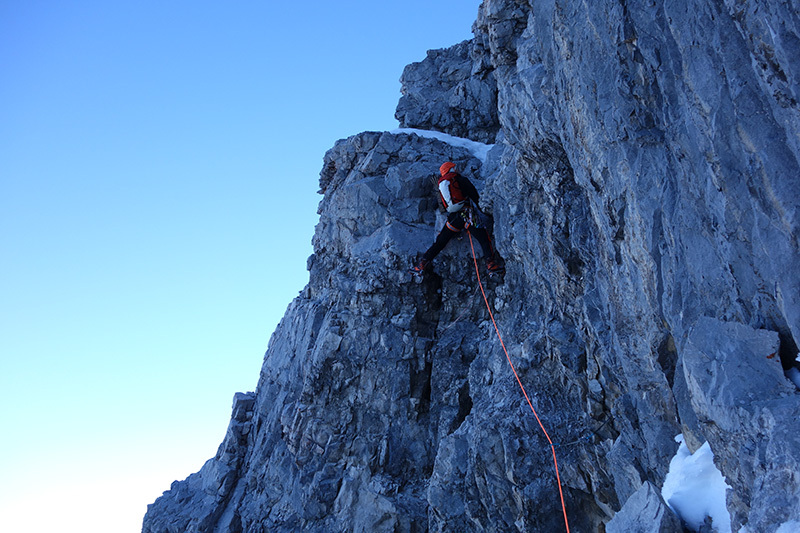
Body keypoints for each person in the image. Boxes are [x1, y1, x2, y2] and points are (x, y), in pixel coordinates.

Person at [411, 161, 505, 275]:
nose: (457, 169)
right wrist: (484, 213)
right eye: (454, 168)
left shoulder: (442, 185)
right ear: (452, 169)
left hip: (454, 219)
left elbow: (437, 204)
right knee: (484, 238)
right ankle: (491, 264)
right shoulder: (461, 180)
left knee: (440, 241)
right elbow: (474, 196)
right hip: (468, 215)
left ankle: (422, 263)